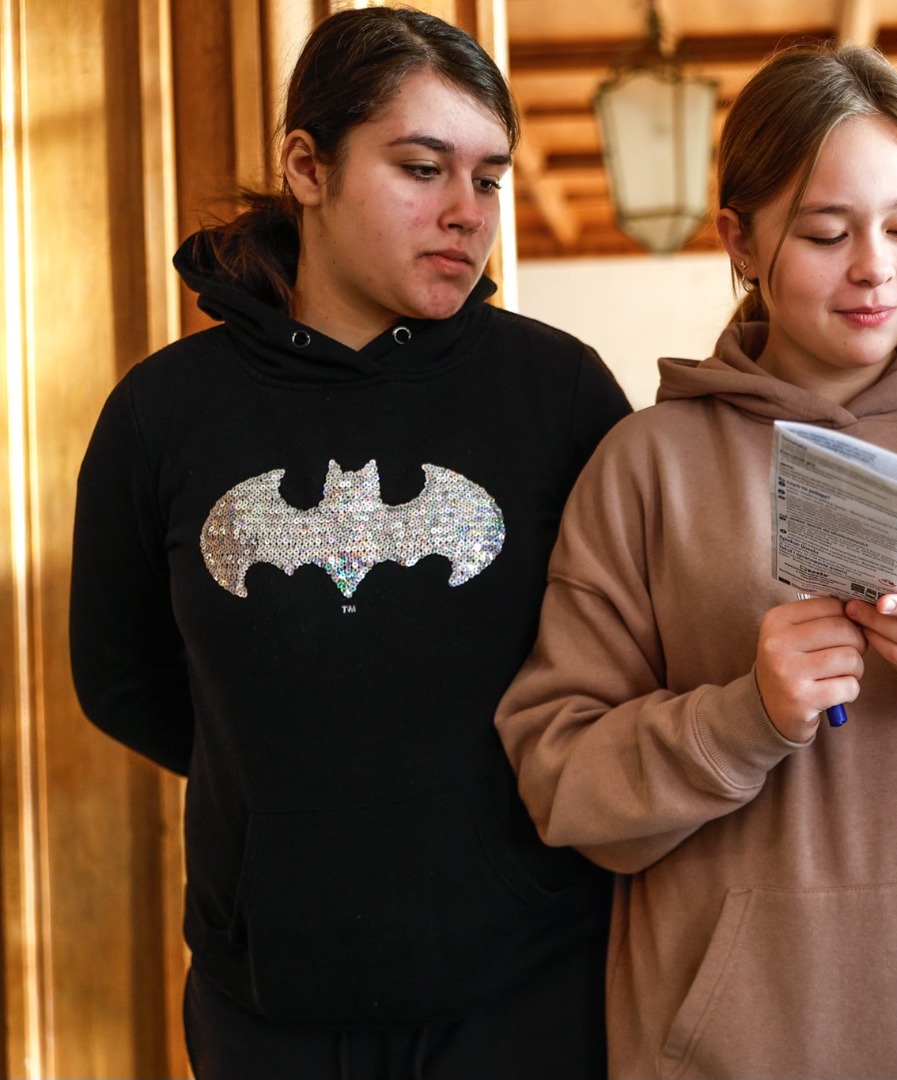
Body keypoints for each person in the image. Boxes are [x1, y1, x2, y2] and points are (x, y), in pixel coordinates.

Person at [494, 44, 897, 1080]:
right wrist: (744, 713)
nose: (876, 270)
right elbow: (562, 782)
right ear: (739, 239)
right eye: (825, 232)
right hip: (728, 1045)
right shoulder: (646, 466)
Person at [69, 8, 630, 1078]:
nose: (467, 214)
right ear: (307, 167)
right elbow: (119, 677)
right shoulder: (166, 413)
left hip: (532, 984)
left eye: (489, 178)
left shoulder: (559, 392)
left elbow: (628, 664)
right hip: (271, 1002)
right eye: (423, 168)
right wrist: (283, 787)